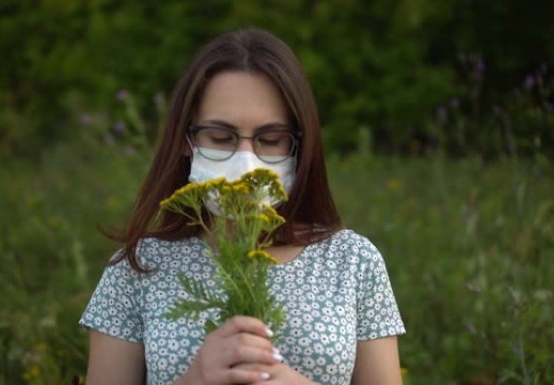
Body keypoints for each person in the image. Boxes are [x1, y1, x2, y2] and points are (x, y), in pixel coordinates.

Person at [79, 28, 406, 385]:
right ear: (186, 140)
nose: (246, 162)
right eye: (221, 138)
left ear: (299, 145)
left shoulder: (353, 262)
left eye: (271, 140)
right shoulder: (137, 268)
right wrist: (196, 379)